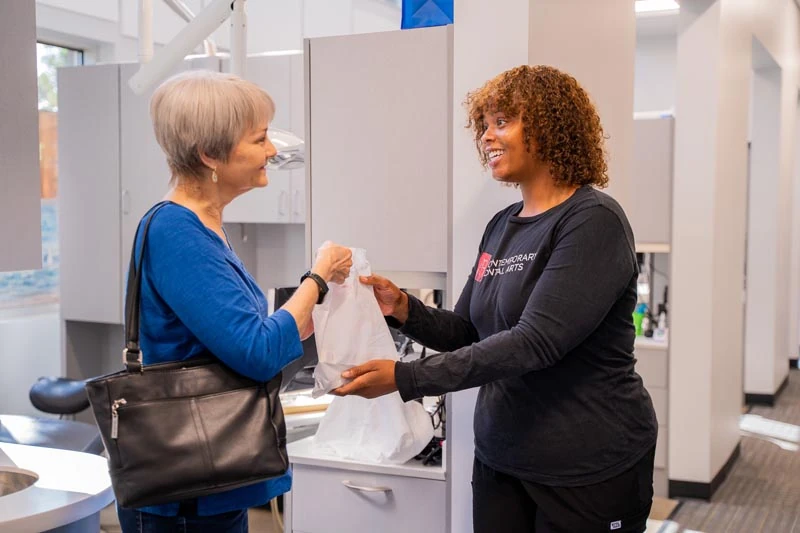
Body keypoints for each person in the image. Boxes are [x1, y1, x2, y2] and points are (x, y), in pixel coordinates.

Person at [333, 65, 658, 533]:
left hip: (587, 466)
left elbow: (535, 343)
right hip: (502, 458)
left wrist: (406, 377)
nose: (486, 136)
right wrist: (403, 309)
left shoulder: (593, 221)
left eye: (502, 121)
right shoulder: (503, 224)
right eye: (483, 125)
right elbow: (467, 330)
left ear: (548, 127)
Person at [116, 70, 352, 533]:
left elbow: (234, 341)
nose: (272, 151)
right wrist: (317, 278)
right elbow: (257, 352)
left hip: (211, 481)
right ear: (210, 155)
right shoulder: (176, 233)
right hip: (185, 499)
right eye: (260, 138)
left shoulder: (205, 229)